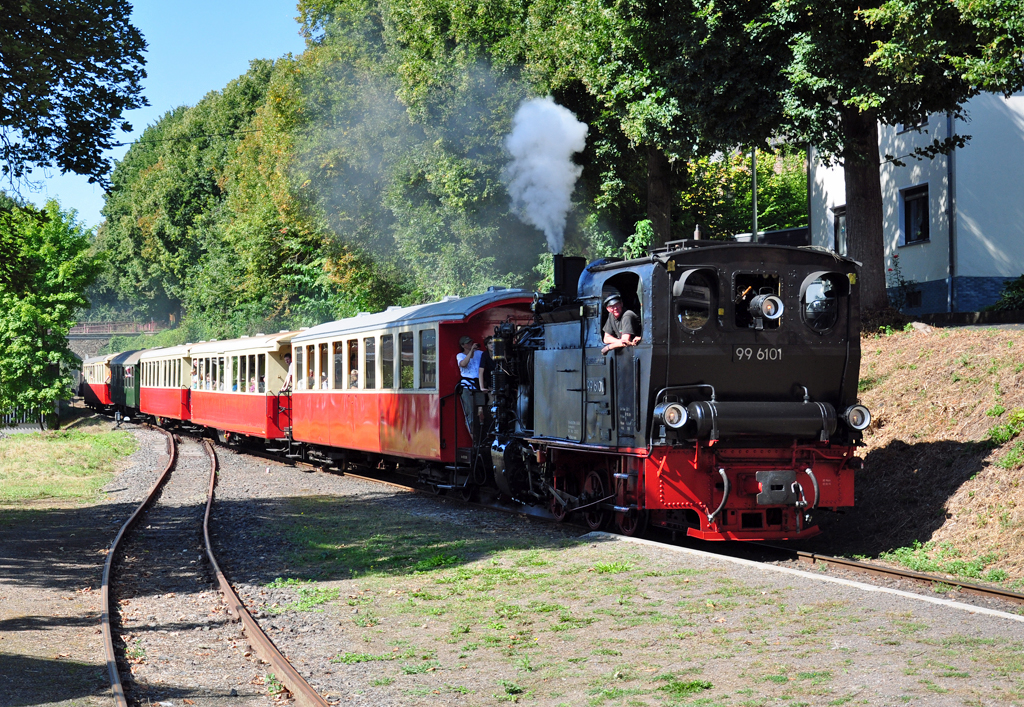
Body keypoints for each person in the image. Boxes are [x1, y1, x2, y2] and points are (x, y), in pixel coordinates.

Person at [456, 335, 484, 438]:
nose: (470, 344)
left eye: (471, 342)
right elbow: (463, 364)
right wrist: (471, 351)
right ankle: (474, 439)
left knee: (482, 412)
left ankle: (483, 437)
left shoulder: (479, 353)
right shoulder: (460, 355)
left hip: (479, 386)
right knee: (470, 413)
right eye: (468, 343)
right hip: (467, 387)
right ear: (463, 345)